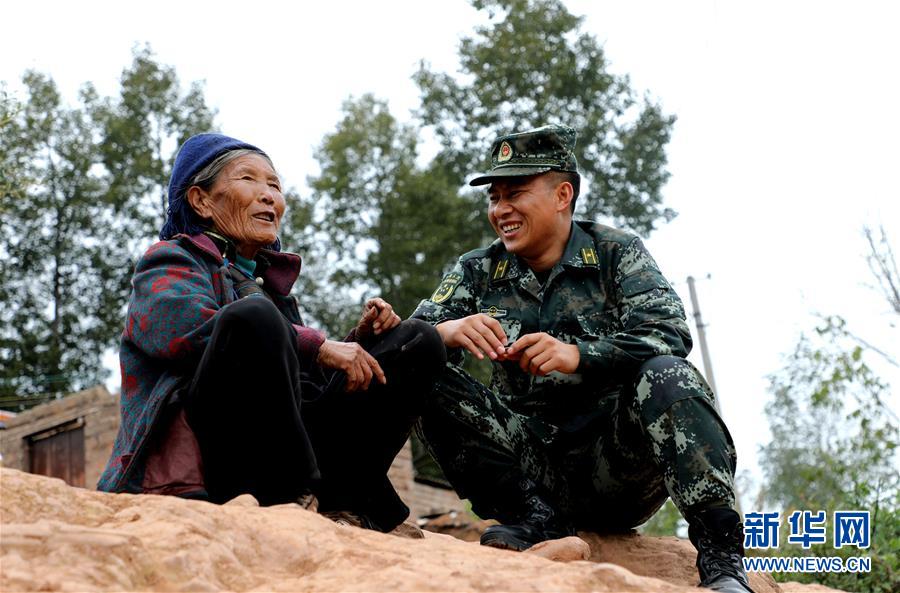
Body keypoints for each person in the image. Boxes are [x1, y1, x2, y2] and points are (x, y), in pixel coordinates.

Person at [412, 125, 753, 592]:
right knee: (421, 365)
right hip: (528, 470)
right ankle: (537, 521)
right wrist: (445, 332)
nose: (500, 210)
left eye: (516, 193)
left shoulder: (616, 253)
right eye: (494, 197)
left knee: (668, 374)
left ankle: (721, 559)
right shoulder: (477, 269)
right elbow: (404, 343)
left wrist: (580, 355)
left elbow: (669, 332)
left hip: (616, 468)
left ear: (562, 194)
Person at [98, 133, 446, 533]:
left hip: (284, 449)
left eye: (275, 185)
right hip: (217, 459)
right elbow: (180, 330)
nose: (269, 195)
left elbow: (299, 389)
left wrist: (359, 344)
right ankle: (291, 493)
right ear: (201, 200)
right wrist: (316, 345)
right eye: (249, 179)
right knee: (254, 318)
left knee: (418, 341)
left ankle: (346, 501)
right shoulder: (170, 260)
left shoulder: (265, 286)